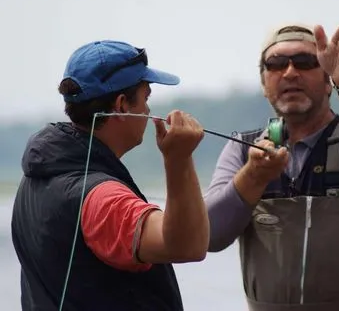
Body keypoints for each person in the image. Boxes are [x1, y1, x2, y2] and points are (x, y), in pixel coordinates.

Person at [204, 23, 339, 311]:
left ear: (327, 81)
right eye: (275, 64)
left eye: (305, 62)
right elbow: (209, 234)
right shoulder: (243, 149)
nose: (290, 72)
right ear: (263, 84)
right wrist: (252, 178)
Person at [11, 40, 209, 311]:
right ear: (122, 105)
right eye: (146, 97)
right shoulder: (102, 197)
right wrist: (179, 159)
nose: (149, 111)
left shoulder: (38, 172)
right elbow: (187, 246)